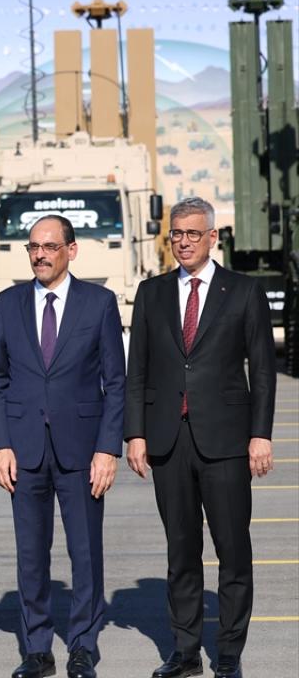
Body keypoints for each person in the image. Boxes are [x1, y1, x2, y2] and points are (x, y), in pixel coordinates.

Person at [123, 197, 276, 678]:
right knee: (181, 552)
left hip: (227, 441)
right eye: (177, 234)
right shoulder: (151, 293)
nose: (184, 242)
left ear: (213, 237)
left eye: (193, 234)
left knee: (233, 550)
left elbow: (263, 371)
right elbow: (137, 369)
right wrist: (135, 433)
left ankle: (228, 653)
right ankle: (185, 652)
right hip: (169, 440)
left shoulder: (244, 291)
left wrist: (260, 435)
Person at [0, 215, 125, 678]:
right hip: (23, 450)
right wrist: (0, 444)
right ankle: (37, 649)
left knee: (85, 553)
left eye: (49, 246)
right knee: (31, 555)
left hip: (82, 451)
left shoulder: (99, 303)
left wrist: (107, 449)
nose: (40, 255)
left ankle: (83, 645)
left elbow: (115, 381)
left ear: (71, 250)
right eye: (33, 247)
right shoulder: (7, 304)